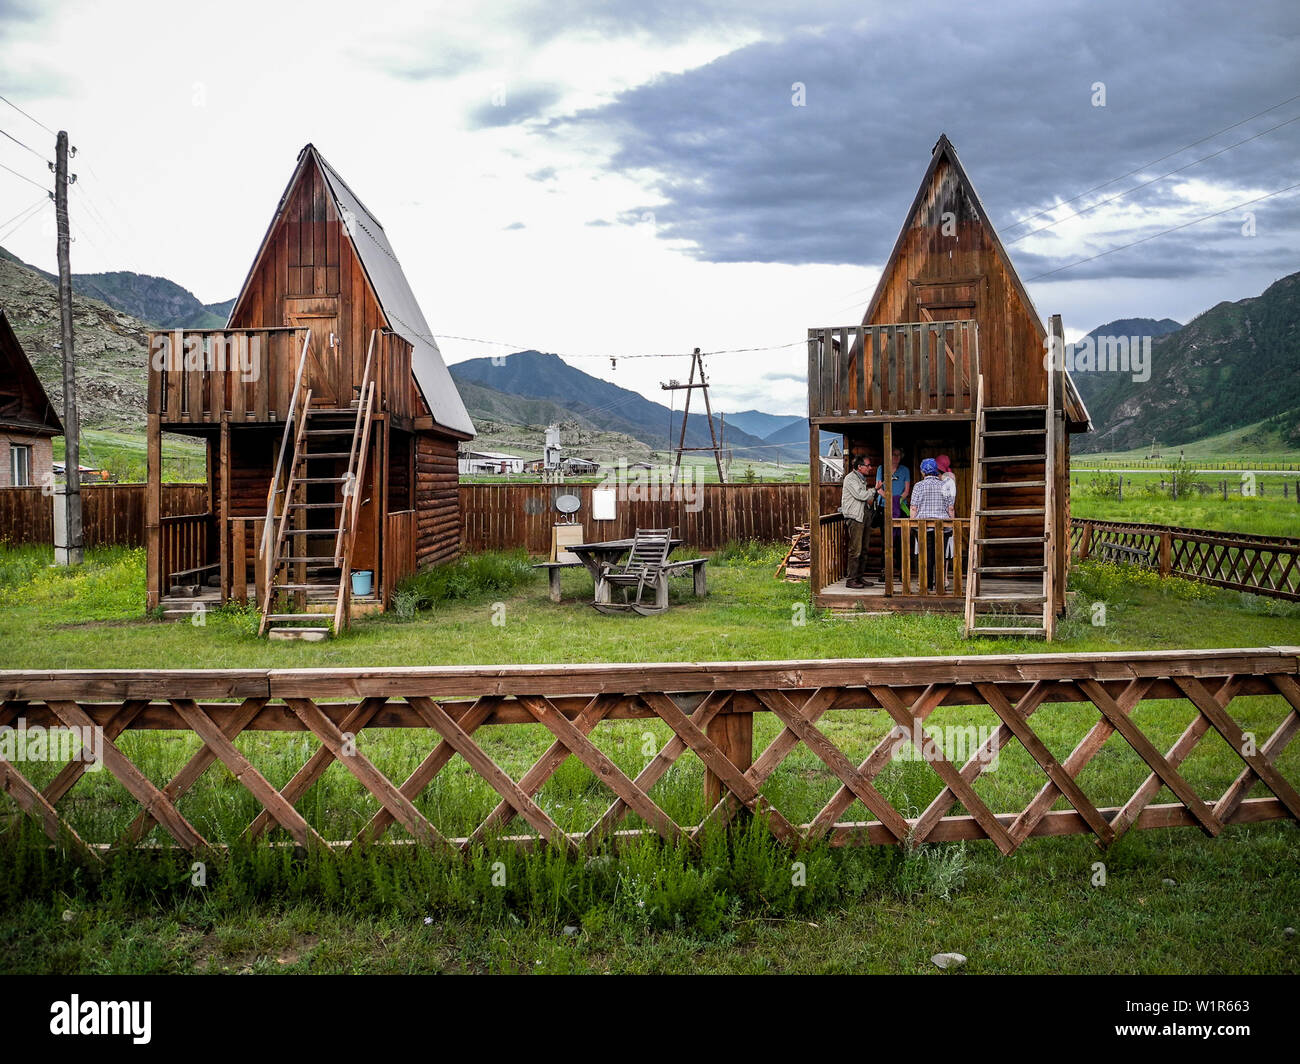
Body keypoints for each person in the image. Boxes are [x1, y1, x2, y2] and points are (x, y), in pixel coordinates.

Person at [910, 458, 952, 591]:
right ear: (936, 471)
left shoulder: (918, 486)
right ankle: (940, 584)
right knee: (940, 555)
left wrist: (912, 524)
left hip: (922, 527)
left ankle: (927, 585)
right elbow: (950, 508)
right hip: (942, 527)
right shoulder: (944, 485)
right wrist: (952, 524)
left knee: (925, 556)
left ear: (923, 472)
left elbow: (913, 508)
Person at [839, 454, 879, 589]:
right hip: (855, 517)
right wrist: (875, 490)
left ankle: (859, 577)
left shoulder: (861, 479)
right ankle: (851, 579)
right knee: (855, 550)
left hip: (863, 516)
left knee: (864, 549)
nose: (870, 468)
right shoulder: (850, 479)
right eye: (867, 465)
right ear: (859, 467)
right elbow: (861, 495)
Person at [876, 448, 911, 519]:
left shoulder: (905, 470)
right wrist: (892, 500)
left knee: (901, 529)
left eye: (899, 455)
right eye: (894, 455)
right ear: (889, 456)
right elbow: (879, 489)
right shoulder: (881, 468)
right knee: (885, 529)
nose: (896, 457)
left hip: (901, 505)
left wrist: (897, 501)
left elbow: (906, 491)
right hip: (884, 505)